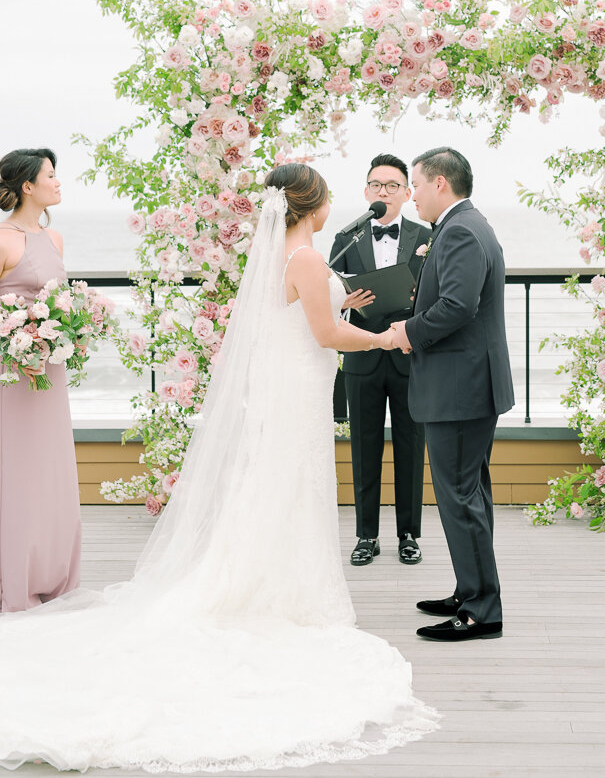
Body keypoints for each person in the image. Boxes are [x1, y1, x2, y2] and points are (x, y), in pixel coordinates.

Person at [0, 163, 435, 772]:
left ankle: (264, 576)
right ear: (312, 203)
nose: (334, 202)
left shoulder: (294, 254)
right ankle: (277, 592)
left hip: (288, 387)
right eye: (329, 194)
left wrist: (348, 302)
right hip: (297, 390)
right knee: (289, 486)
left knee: (278, 487)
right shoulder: (307, 257)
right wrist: (389, 338)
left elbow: (307, 315)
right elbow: (326, 334)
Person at [391, 147, 515, 643]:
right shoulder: (465, 223)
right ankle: (472, 591)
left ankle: (482, 611)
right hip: (465, 387)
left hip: (460, 389)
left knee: (460, 498)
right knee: (469, 495)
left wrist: (407, 332)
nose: (410, 194)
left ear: (439, 183)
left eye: (415, 185)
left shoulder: (460, 229)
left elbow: (458, 306)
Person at [330, 154, 431, 568]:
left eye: (393, 185)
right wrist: (344, 301)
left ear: (408, 193)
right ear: (365, 191)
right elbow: (328, 293)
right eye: (376, 185)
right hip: (362, 355)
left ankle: (409, 534)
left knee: (411, 446)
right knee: (363, 448)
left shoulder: (427, 235)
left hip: (409, 355)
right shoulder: (346, 238)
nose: (384, 191)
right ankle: (365, 535)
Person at [0, 148, 81, 612]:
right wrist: (18, 333)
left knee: (49, 468)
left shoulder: (55, 237)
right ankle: (15, 572)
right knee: (17, 467)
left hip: (50, 370)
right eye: (51, 175)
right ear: (28, 186)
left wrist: (75, 328)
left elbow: (61, 301)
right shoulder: (5, 240)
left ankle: (51, 571)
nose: (58, 181)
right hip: (13, 375)